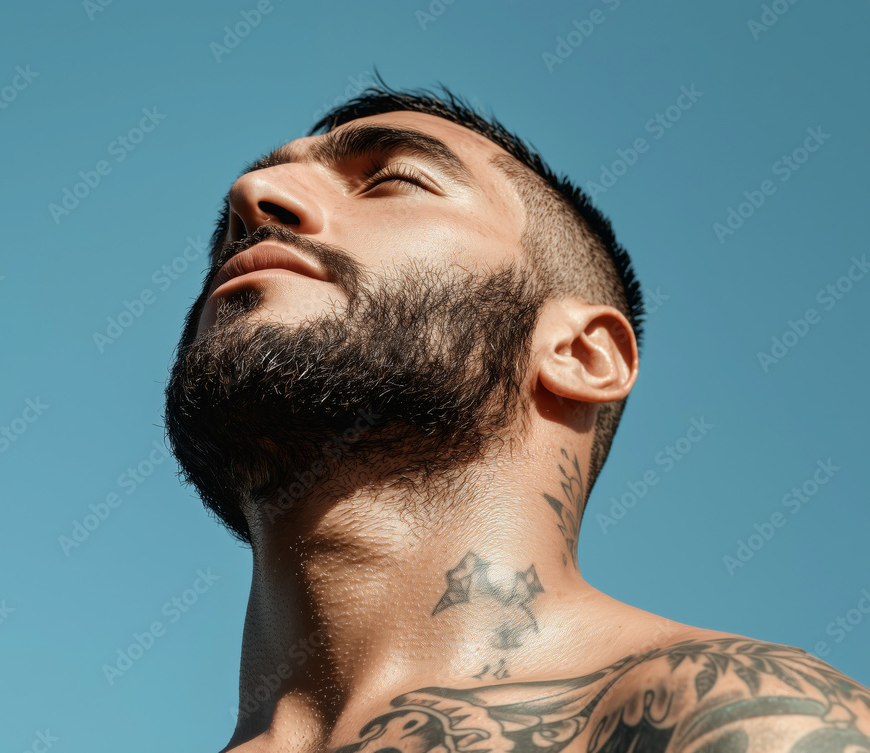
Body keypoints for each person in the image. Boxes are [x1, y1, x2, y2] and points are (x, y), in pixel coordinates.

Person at [164, 81, 870, 753]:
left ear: (582, 354)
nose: (251, 197)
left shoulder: (730, 717)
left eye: (392, 179)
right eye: (237, 214)